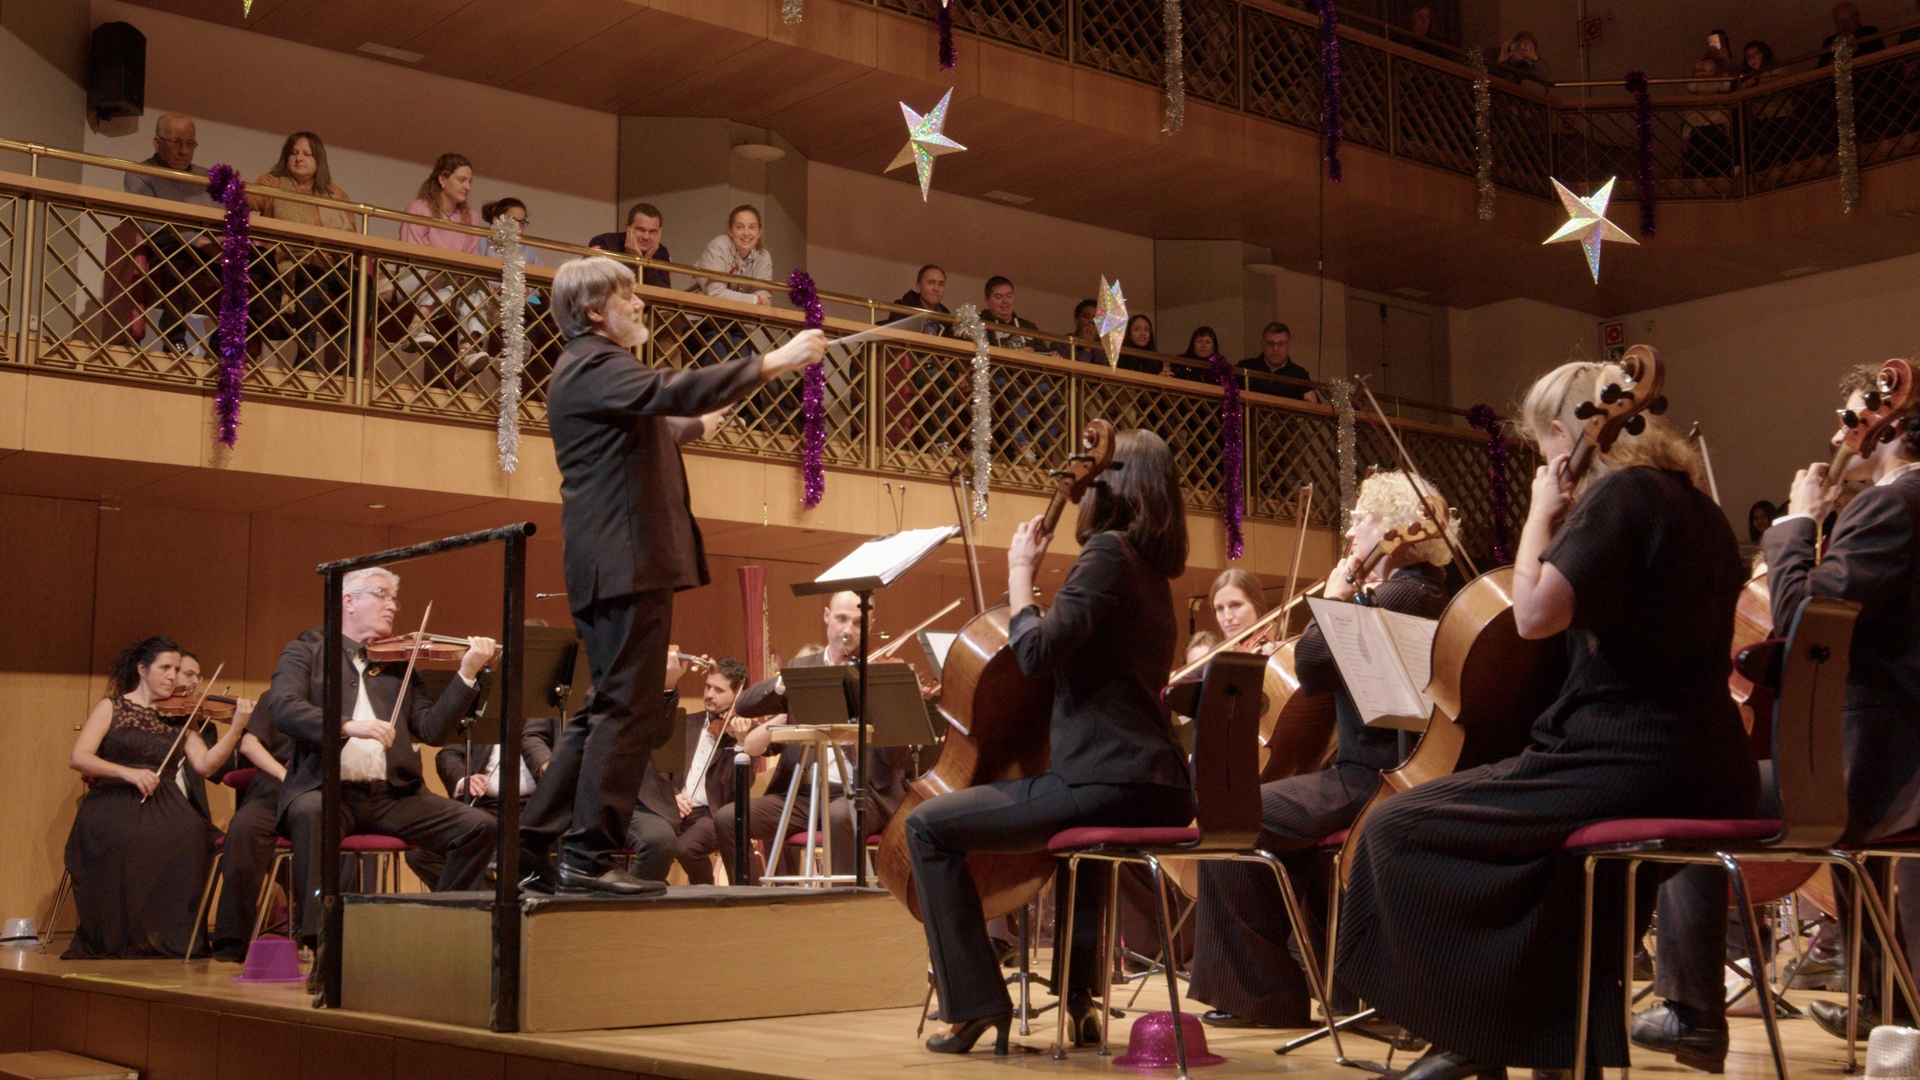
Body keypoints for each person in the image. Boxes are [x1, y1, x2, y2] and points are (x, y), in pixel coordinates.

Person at [1335, 361, 1757, 1078]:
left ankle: (1475, 1035)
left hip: (1629, 762)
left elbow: (1533, 616)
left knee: (1395, 828)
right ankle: (1537, 1044)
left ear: (1566, 438)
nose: (1546, 465)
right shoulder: (1701, 508)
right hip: (1713, 767)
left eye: (1540, 449)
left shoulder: (1620, 496)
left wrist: (1538, 514)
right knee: (1552, 868)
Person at [517, 255, 825, 896]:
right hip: (625, 564)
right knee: (625, 712)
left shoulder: (589, 372)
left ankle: (533, 843)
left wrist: (714, 411)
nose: (639, 304)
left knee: (606, 710)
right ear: (595, 310)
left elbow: (666, 420)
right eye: (627, 296)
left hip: (612, 563)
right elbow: (666, 393)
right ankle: (587, 856)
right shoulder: (596, 363)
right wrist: (774, 360)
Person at [909, 428, 1195, 1056]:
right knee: (1078, 846)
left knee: (927, 828)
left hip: (1107, 781)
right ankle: (1082, 1001)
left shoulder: (1108, 555)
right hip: (1162, 788)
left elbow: (1034, 653)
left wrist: (1019, 576)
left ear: (1110, 485)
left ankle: (978, 1006)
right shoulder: (1150, 572)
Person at [1188, 472, 1456, 1029]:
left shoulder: (1402, 591)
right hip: (1380, 771)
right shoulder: (1419, 590)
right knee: (1263, 821)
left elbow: (1311, 668)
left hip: (1378, 777)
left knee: (1234, 818)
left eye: (1363, 517)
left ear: (1398, 531)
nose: (1352, 526)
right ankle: (1303, 985)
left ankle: (1265, 997)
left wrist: (1333, 599)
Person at [1753, 361, 1920, 1039]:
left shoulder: (1893, 503)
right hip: (1895, 759)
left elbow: (1803, 627)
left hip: (1882, 763)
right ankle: (1885, 1002)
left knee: (1690, 786)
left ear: (1887, 425)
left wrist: (1796, 525)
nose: (1841, 432)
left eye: (1850, 417)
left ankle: (1690, 1003)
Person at [273, 566, 499, 958]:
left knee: (479, 826)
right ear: (348, 600)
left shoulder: (399, 663)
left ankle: (441, 922)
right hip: (327, 789)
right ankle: (320, 944)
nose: (392, 606)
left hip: (394, 796)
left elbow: (431, 730)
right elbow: (283, 707)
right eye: (381, 595)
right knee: (312, 814)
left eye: (394, 599)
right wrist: (347, 725)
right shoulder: (307, 652)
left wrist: (465, 673)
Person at [64, 636, 252, 958]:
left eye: (176, 669)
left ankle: (166, 937)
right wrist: (127, 772)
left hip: (164, 800)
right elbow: (79, 757)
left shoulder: (180, 718)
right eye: (165, 668)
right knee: (130, 837)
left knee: (192, 836)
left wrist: (236, 729)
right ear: (141, 668)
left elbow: (206, 765)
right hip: (113, 799)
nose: (172, 676)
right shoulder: (112, 706)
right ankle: (126, 937)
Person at [722, 593, 914, 879]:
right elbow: (745, 705)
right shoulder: (804, 668)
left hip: (864, 793)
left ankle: (843, 908)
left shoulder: (881, 671)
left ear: (871, 623)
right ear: (826, 616)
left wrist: (886, 703)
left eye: (859, 622)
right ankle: (750, 900)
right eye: (841, 619)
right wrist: (783, 684)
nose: (848, 630)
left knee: (839, 816)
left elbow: (897, 759)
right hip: (803, 794)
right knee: (728, 819)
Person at [248, 131, 356, 370]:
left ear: (319, 161)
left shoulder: (336, 195)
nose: (299, 158)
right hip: (289, 265)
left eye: (307, 154)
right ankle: (305, 356)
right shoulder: (273, 183)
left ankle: (350, 363)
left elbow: (351, 237)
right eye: (294, 153)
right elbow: (248, 201)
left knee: (362, 287)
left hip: (333, 267)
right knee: (311, 277)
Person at [209, 682, 300, 961]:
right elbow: (249, 744)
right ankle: (233, 936)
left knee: (336, 831)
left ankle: (324, 930)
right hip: (274, 785)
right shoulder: (274, 696)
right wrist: (284, 777)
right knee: (244, 827)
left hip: (322, 786)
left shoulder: (346, 697)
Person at [124, 112, 218, 354]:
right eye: (176, 143)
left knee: (255, 264)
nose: (183, 151)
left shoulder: (207, 178)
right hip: (164, 249)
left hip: (210, 249)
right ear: (158, 144)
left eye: (190, 144)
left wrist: (221, 241)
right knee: (183, 256)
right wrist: (196, 240)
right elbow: (147, 223)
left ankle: (226, 345)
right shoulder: (140, 174)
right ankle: (173, 335)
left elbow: (225, 216)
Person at [662, 657, 759, 883]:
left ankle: (705, 890)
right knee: (656, 843)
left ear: (737, 695)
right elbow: (660, 769)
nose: (709, 695)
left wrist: (741, 744)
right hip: (674, 808)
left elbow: (740, 787)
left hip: (713, 814)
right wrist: (672, 795)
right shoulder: (684, 722)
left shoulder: (745, 731)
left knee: (686, 848)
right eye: (707, 687)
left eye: (718, 690)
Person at [396, 153, 490, 376]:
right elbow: (414, 254)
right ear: (442, 179)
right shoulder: (419, 208)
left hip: (453, 283)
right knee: (447, 272)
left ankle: (467, 350)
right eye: (461, 180)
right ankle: (416, 328)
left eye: (470, 182)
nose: (467, 187)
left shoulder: (471, 217)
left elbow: (468, 258)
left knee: (477, 284)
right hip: (415, 279)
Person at [693, 204, 774, 307]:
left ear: (759, 232)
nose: (746, 233)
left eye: (752, 227)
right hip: (700, 315)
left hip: (741, 318)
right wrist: (754, 300)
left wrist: (758, 300)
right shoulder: (718, 246)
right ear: (730, 231)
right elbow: (715, 293)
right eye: (739, 227)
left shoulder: (763, 256)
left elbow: (764, 297)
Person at [588, 203, 673, 289]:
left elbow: (663, 293)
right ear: (627, 227)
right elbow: (601, 287)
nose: (646, 237)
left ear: (659, 232)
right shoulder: (604, 242)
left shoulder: (661, 252)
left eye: (652, 232)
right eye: (640, 230)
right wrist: (632, 261)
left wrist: (647, 263)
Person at [1681, 56, 1735, 179]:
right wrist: (1695, 73)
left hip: (1716, 124)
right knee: (1699, 159)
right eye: (1704, 71)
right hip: (1699, 125)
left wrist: (1725, 78)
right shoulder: (1696, 87)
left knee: (1718, 158)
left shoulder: (1717, 84)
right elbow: (1690, 88)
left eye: (1711, 71)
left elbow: (1725, 88)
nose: (1708, 74)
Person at [1238, 322, 1320, 402]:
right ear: (1263, 345)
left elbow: (1317, 408)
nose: (1275, 349)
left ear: (1288, 346)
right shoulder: (1246, 368)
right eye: (1270, 344)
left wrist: (1313, 400)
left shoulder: (1299, 375)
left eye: (1280, 344)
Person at [882, 264, 952, 337]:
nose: (936, 289)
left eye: (941, 284)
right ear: (918, 287)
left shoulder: (948, 319)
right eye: (931, 282)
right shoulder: (902, 309)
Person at [981, 276, 1044, 352]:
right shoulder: (979, 325)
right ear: (987, 301)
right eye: (998, 297)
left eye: (1009, 296)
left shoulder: (1029, 327)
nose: (1005, 301)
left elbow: (1045, 355)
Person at [479, 198, 544, 266]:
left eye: (522, 223)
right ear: (496, 220)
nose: (518, 227)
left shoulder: (528, 248)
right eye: (513, 221)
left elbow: (541, 271)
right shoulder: (482, 239)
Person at [1069, 299, 1104, 365]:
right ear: (1076, 320)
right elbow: (1075, 371)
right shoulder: (1064, 343)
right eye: (1086, 317)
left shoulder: (1105, 348)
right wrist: (1087, 348)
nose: (1091, 321)